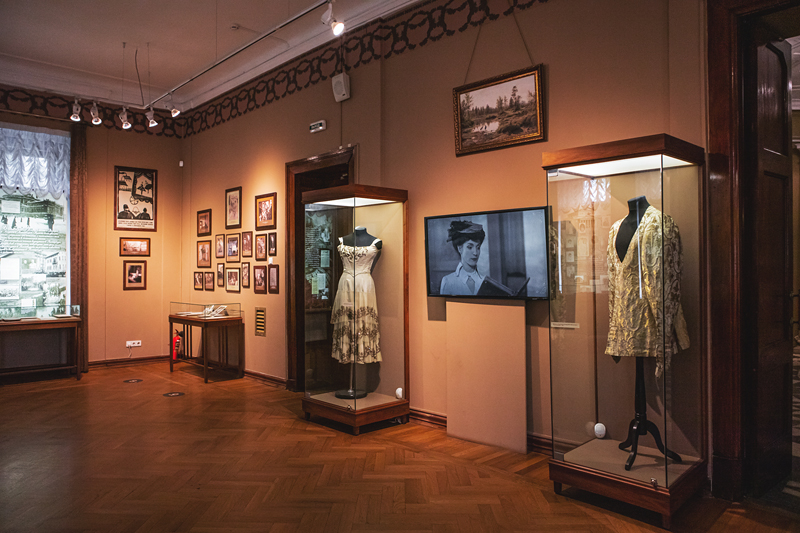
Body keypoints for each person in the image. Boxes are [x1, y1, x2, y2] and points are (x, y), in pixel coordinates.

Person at [439, 220, 485, 296]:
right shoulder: (448, 281)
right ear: (460, 249)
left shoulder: (484, 281)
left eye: (478, 247)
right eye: (470, 247)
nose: (475, 253)